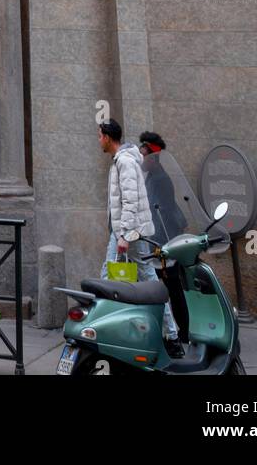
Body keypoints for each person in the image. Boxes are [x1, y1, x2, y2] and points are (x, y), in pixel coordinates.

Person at [99, 119, 182, 354]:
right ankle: (172, 336)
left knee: (108, 276)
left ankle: (101, 331)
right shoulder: (122, 161)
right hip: (127, 231)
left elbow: (131, 201)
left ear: (107, 137)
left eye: (99, 136)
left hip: (127, 233)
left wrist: (124, 235)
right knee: (146, 278)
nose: (99, 141)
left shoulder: (124, 162)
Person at [139, 131, 187, 242]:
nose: (141, 160)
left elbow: (165, 213)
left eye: (143, 156)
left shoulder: (161, 179)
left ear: (153, 158)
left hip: (166, 235)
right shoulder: (152, 176)